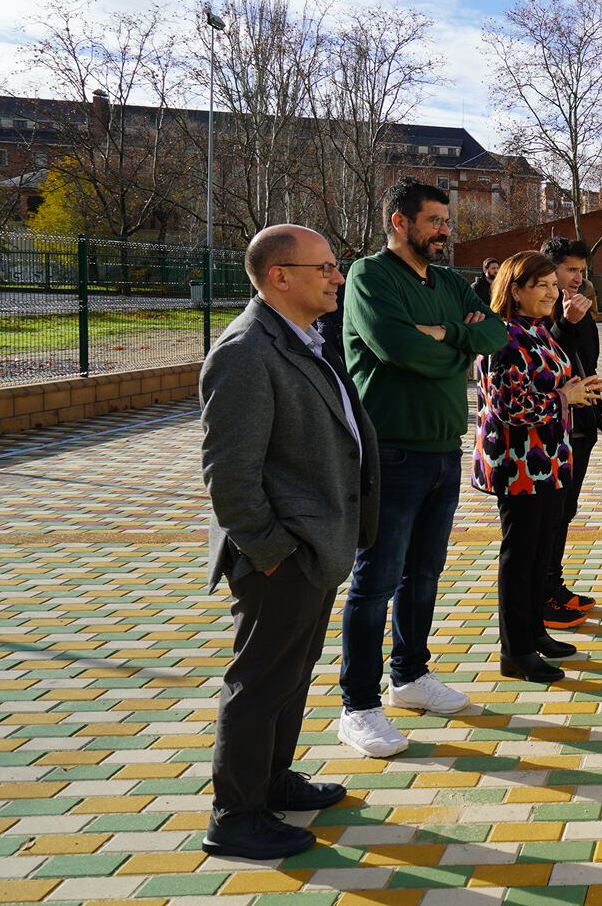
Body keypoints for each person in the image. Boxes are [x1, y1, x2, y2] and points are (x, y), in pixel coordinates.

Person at [199, 225, 377, 860]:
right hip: (281, 554)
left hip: (314, 545)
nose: (338, 277)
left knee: (290, 677)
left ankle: (273, 781)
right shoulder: (247, 352)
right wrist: (273, 552)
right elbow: (230, 474)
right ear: (280, 276)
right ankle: (236, 816)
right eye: (325, 267)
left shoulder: (305, 337)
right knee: (259, 682)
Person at [338, 178, 509, 758]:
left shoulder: (451, 281)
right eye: (434, 219)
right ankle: (358, 706)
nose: (444, 230)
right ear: (398, 222)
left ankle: (410, 677)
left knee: (424, 574)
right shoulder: (368, 276)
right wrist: (454, 348)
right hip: (390, 453)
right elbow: (398, 349)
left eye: (445, 220)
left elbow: (495, 332)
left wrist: (450, 334)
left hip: (442, 450)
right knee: (375, 581)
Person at [472, 251, 602, 682]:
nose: (552, 293)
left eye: (554, 285)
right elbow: (509, 406)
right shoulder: (500, 336)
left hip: (549, 460)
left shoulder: (538, 330)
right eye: (541, 286)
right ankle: (515, 651)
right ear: (515, 290)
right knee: (521, 556)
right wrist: (566, 397)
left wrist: (578, 388)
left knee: (539, 552)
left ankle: (534, 633)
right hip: (519, 464)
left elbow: (551, 384)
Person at [542, 237, 602, 626]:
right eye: (571, 270)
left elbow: (589, 361)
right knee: (548, 514)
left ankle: (554, 584)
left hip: (581, 424)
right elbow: (548, 360)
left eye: (582, 271)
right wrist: (566, 323)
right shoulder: (539, 311)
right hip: (549, 429)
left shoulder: (578, 310)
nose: (578, 279)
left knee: (565, 511)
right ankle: (544, 593)